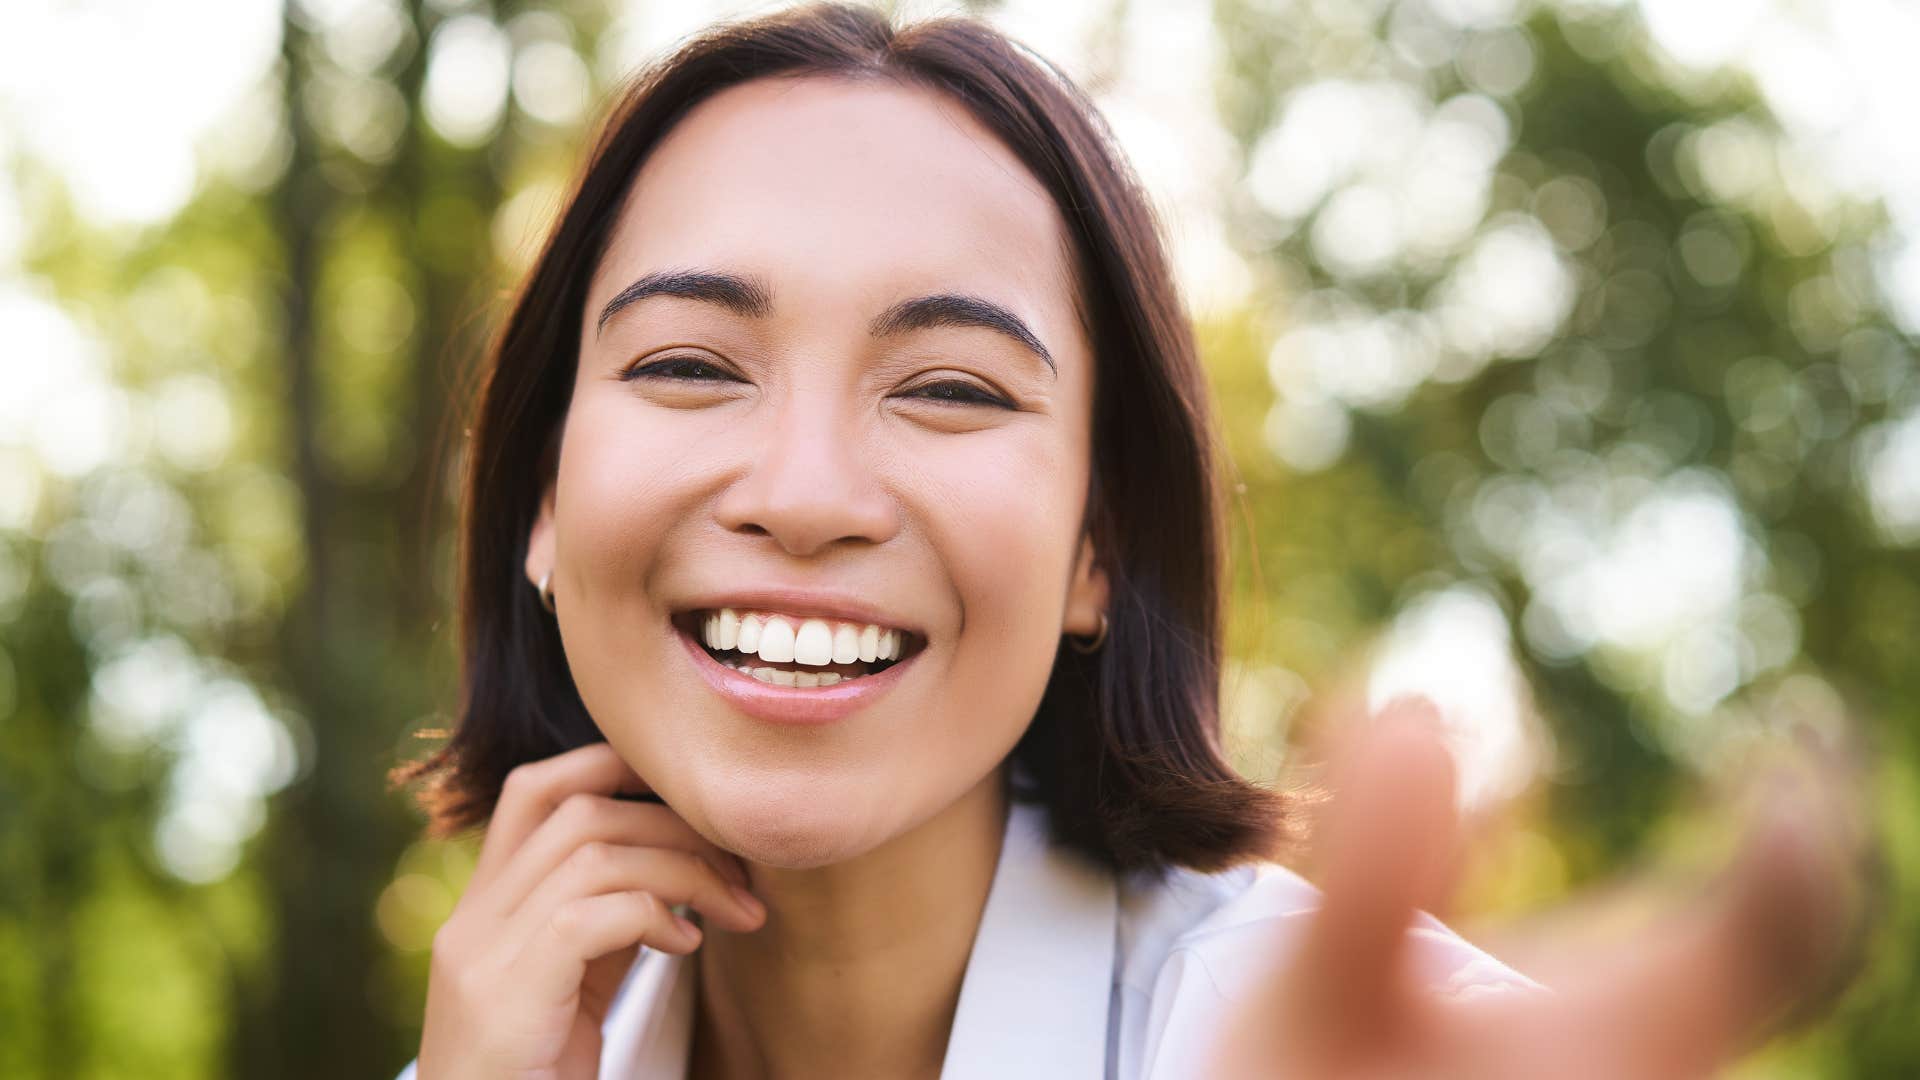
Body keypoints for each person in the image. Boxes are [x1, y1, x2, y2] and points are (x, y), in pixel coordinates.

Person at [388, 4, 1865, 1077]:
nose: (806, 490)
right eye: (690, 366)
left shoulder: (1291, 1032)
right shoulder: (497, 1055)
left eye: (952, 388)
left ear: (1100, 547)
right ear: (538, 500)